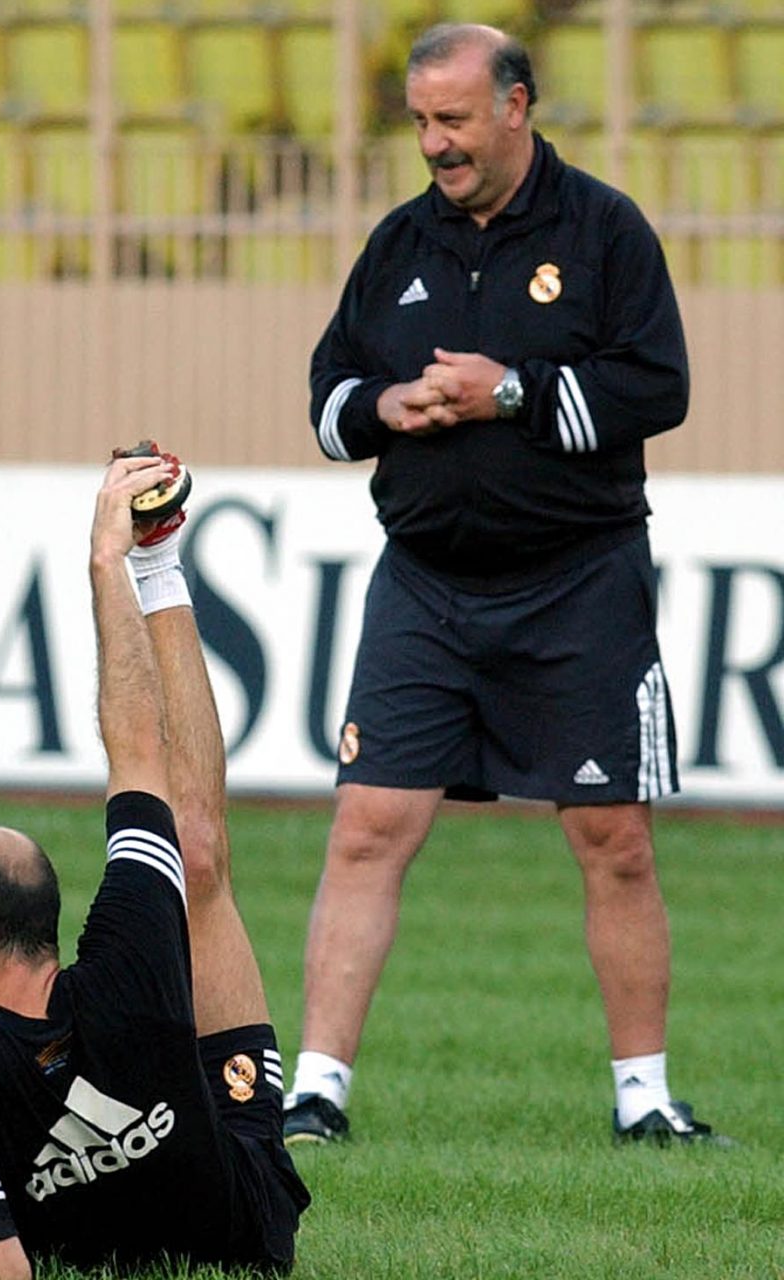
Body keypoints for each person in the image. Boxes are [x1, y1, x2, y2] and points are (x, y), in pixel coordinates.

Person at [290, 23, 722, 1147]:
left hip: (579, 585)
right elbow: (330, 398)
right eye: (422, 121)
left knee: (613, 836)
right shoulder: (396, 244)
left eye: (455, 120)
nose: (435, 144)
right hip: (423, 587)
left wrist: (512, 392)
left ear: (518, 106)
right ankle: (315, 1093)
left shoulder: (605, 231)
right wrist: (386, 408)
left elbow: (657, 386)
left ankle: (645, 1100)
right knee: (367, 825)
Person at [0, 449, 310, 1278]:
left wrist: (118, 556)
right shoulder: (133, 948)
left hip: (215, 1208)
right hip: (239, 1233)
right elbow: (135, 750)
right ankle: (162, 566)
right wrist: (115, 563)